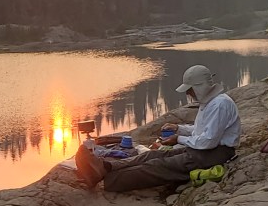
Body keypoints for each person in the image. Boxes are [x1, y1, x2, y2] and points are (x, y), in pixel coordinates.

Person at [75, 65, 240, 191]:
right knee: (152, 154)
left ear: (199, 87)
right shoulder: (210, 103)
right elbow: (201, 132)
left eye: (190, 90)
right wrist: (178, 129)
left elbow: (208, 141)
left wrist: (178, 139)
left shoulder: (219, 105)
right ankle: (105, 167)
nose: (189, 94)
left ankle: (108, 181)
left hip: (214, 154)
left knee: (157, 166)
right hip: (203, 151)